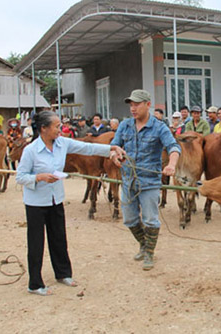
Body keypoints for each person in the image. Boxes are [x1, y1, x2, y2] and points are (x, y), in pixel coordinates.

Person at [16, 111, 125, 296]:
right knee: (36, 242)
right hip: (36, 202)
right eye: (57, 127)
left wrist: (111, 149)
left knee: (59, 237)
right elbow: (20, 177)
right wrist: (39, 177)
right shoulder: (31, 150)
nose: (60, 130)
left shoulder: (62, 143)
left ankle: (63, 273)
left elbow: (87, 148)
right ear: (43, 129)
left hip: (55, 199)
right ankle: (35, 284)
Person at [110, 89, 181, 271]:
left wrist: (171, 165)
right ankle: (144, 244)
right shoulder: (125, 125)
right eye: (131, 105)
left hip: (149, 181)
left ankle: (149, 252)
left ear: (148, 105)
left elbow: (173, 147)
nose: (133, 108)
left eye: (137, 104)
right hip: (128, 180)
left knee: (150, 219)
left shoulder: (159, 127)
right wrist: (114, 155)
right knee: (129, 218)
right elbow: (115, 145)